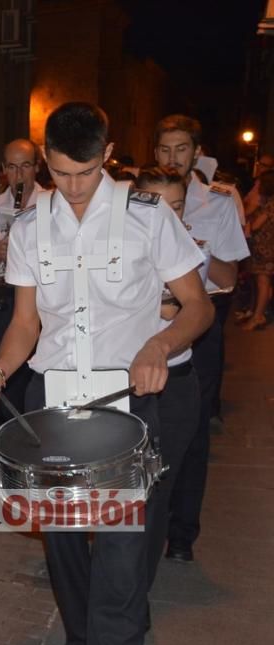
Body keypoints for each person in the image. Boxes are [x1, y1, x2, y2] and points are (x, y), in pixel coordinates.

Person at [0, 102, 212, 645]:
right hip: (50, 409)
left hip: (126, 413)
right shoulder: (29, 226)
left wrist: (159, 344)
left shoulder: (148, 217)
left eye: (85, 172)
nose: (73, 188)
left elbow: (198, 307)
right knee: (65, 550)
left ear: (107, 155)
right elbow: (25, 323)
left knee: (122, 560)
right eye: (59, 173)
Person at [153, 114, 250, 562]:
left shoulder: (220, 201)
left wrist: (195, 253)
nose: (173, 158)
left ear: (196, 152)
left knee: (191, 432)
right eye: (164, 149)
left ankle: (182, 533)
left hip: (200, 324)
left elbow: (230, 278)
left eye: (181, 149)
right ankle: (144, 517)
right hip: (149, 322)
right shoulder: (141, 196)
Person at [133, 166, 207, 588]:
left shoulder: (190, 254)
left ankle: (134, 593)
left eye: (176, 208)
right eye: (155, 207)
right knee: (121, 497)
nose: (167, 219)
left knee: (156, 495)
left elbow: (193, 309)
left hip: (175, 385)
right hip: (125, 386)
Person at [0, 139, 47, 419]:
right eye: (12, 167)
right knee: (5, 383)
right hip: (1, 301)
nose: (19, 176)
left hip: (37, 304)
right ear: (3, 170)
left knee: (30, 381)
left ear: (37, 167)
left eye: (25, 166)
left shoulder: (50, 206)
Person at [242, 170, 274, 330]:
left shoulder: (270, 204)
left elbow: (256, 226)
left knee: (263, 282)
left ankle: (258, 316)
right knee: (264, 284)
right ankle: (260, 313)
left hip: (266, 250)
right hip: (266, 249)